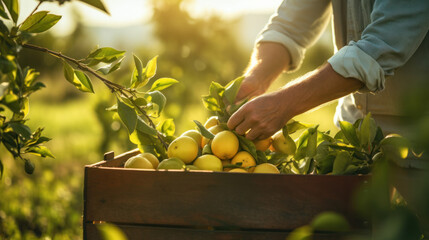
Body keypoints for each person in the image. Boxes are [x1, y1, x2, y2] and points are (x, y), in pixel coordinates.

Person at [227, 0, 429, 141]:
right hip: (352, 132)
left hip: (417, 141)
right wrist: (257, 77)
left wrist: (284, 103)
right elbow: (289, 26)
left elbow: (380, 48)